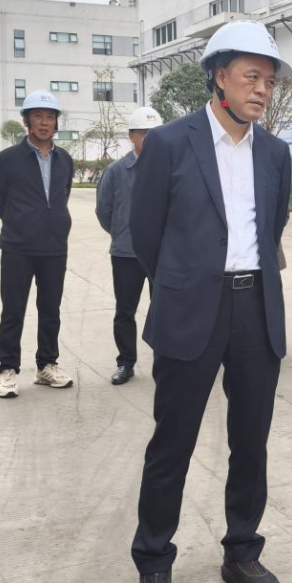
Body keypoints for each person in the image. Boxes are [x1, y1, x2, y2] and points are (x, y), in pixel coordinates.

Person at [129, 21, 292, 583]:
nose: (262, 90)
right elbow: (145, 233)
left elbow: (272, 227)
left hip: (256, 309)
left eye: (269, 80)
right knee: (172, 442)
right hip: (190, 308)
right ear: (219, 76)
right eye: (252, 77)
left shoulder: (274, 154)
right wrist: (184, 282)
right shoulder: (171, 143)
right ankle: (153, 559)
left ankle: (242, 552)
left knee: (250, 441)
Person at [0, 89, 75, 397]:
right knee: (13, 310)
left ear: (56, 123)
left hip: (54, 247)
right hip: (17, 247)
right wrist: (21, 221)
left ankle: (46, 365)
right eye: (38, 116)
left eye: (50, 117)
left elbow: (63, 194)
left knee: (50, 309)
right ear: (27, 121)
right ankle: (7, 369)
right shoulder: (7, 160)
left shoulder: (65, 160)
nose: (44, 122)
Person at [96, 106, 164, 385]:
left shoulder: (169, 170)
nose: (148, 139)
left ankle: (164, 360)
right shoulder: (115, 171)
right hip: (126, 253)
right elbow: (104, 211)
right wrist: (122, 234)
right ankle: (126, 362)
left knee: (163, 309)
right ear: (131, 136)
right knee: (125, 310)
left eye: (154, 134)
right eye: (143, 133)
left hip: (161, 254)